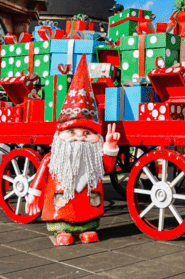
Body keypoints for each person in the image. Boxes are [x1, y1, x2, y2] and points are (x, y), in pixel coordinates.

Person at [26, 55, 119, 245]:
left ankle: (87, 228)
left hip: (88, 205)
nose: (79, 137)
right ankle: (62, 229)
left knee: (89, 211)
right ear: (59, 134)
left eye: (87, 132)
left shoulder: (93, 158)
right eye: (71, 131)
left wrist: (109, 148)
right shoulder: (53, 159)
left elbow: (107, 168)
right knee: (62, 207)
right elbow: (41, 175)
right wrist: (33, 193)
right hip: (60, 204)